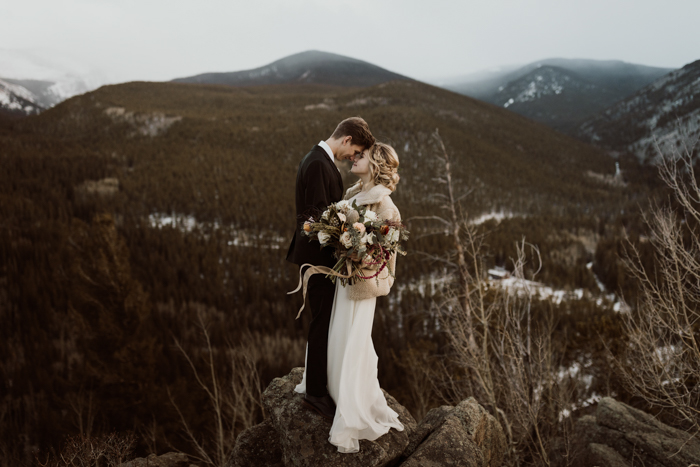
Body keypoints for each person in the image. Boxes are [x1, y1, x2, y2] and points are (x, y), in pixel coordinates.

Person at [294, 142, 405, 453]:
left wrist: (356, 253)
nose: (355, 158)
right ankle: (331, 387)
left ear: (375, 165)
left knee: (352, 339)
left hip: (359, 289)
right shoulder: (350, 195)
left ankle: (351, 402)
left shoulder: (385, 206)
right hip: (341, 283)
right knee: (335, 335)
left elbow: (385, 259)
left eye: (363, 156)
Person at [286, 117, 375, 421]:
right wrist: (349, 239)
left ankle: (319, 387)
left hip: (320, 259)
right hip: (318, 260)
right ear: (347, 139)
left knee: (324, 320)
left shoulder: (318, 159)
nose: (353, 157)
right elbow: (316, 221)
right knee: (322, 321)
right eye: (356, 151)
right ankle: (315, 394)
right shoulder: (318, 164)